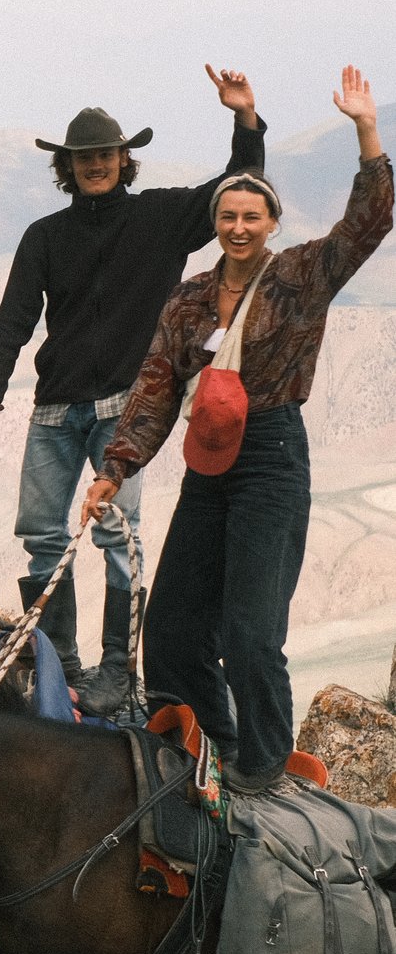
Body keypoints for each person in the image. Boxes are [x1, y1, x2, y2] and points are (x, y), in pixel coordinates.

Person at [84, 66, 389, 794]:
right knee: (172, 626)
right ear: (216, 223)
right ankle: (201, 746)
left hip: (272, 459)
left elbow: (369, 223)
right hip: (207, 466)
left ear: (272, 222)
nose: (239, 227)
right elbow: (156, 387)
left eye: (252, 216)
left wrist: (366, 130)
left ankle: (265, 769)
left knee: (252, 634)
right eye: (228, 216)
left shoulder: (300, 277)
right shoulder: (189, 299)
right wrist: (114, 469)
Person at [0, 66, 266, 714]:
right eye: (84, 157)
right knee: (41, 533)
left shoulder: (160, 217)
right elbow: (14, 319)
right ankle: (60, 662)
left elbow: (237, 189)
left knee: (117, 535)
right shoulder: (44, 237)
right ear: (68, 167)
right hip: (55, 406)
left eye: (105, 154)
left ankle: (116, 672)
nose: (96, 165)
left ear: (123, 159)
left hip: (125, 407)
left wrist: (244, 118)